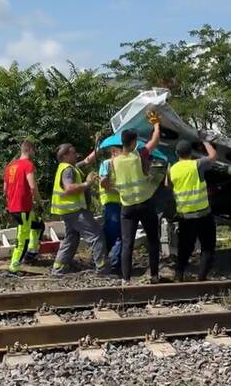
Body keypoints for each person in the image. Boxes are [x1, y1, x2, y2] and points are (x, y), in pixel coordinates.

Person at [104, 112, 163, 283]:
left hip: (127, 207)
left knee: (127, 243)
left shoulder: (114, 161)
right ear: (134, 142)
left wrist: (117, 189)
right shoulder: (140, 154)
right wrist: (156, 124)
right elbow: (155, 140)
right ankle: (154, 276)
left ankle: (126, 279)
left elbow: (107, 182)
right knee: (153, 240)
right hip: (145, 203)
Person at [50, 142, 109, 277]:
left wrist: (98, 147)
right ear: (65, 155)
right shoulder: (68, 170)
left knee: (72, 239)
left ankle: (58, 269)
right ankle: (102, 269)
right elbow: (69, 188)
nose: (76, 155)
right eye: (73, 152)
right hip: (75, 211)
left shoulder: (68, 167)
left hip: (68, 212)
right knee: (96, 235)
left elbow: (87, 160)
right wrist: (88, 183)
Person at [168, 136, 218, 281]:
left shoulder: (173, 169)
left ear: (177, 154)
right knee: (207, 248)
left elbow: (168, 185)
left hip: (185, 216)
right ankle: (201, 279)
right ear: (192, 152)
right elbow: (213, 156)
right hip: (203, 214)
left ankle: (179, 274)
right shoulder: (196, 164)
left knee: (185, 247)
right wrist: (205, 141)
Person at [3, 139, 44, 275]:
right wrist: (39, 202)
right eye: (34, 150)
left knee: (38, 226)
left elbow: (5, 190)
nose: (34, 153)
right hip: (23, 208)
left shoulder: (10, 166)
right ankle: (14, 268)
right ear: (29, 150)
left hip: (14, 206)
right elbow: (32, 186)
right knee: (22, 239)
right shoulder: (27, 165)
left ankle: (32, 252)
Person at [98, 143, 124, 275]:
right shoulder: (107, 164)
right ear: (114, 152)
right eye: (121, 152)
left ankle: (109, 263)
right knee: (115, 234)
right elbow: (103, 182)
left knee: (116, 235)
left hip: (119, 204)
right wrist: (118, 190)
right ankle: (110, 264)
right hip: (111, 203)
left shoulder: (120, 165)